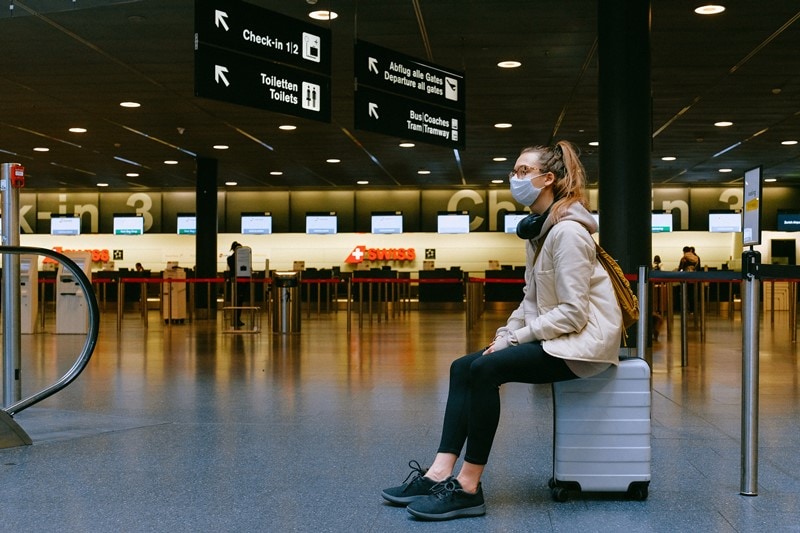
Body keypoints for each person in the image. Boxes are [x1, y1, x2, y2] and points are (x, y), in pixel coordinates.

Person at [381, 141, 623, 521]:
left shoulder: (569, 234)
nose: (515, 178)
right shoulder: (540, 233)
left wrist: (517, 339)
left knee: (485, 370)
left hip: (582, 347)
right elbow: (531, 300)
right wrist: (505, 334)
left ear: (549, 179)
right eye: (514, 171)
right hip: (557, 338)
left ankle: (468, 487)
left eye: (523, 171)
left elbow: (574, 314)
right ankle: (438, 472)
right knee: (464, 366)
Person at [227, 241, 248, 327]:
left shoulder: (231, 258)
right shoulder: (232, 259)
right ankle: (236, 319)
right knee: (237, 301)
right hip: (236, 283)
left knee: (239, 301)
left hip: (239, 282)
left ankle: (237, 318)